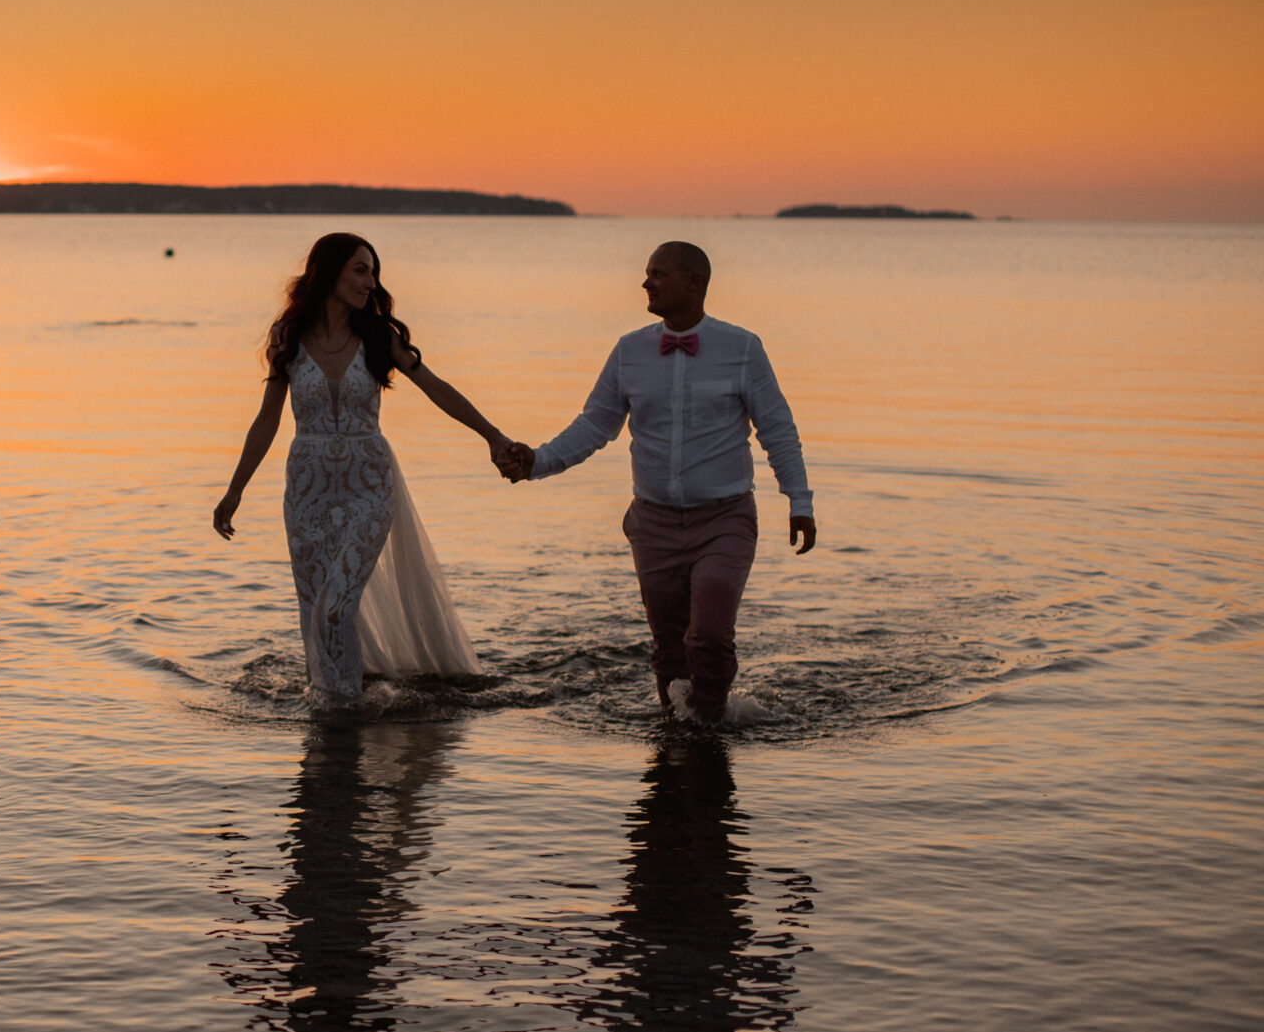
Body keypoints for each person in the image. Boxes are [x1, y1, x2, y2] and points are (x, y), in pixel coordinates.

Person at [497, 242, 815, 724]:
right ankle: (674, 729)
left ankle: (708, 724)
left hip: (725, 519)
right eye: (647, 273)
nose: (646, 283)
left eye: (658, 274)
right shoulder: (630, 351)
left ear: (695, 283)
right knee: (669, 645)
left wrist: (800, 500)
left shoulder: (742, 348)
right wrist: (536, 461)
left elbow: (778, 428)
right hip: (652, 523)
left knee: (707, 634)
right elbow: (594, 426)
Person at [214, 233, 517, 714]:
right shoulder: (287, 337)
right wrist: (235, 489)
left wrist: (493, 436)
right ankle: (330, 720)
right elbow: (268, 418)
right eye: (360, 270)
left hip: (369, 484)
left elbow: (435, 386)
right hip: (307, 489)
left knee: (337, 606)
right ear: (329, 272)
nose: (370, 281)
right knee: (316, 612)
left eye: (373, 272)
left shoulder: (379, 337)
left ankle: (344, 712)